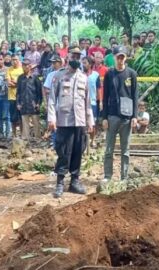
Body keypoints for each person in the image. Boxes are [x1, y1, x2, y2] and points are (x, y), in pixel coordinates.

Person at [48, 47, 93, 198]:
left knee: (77, 152)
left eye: (78, 56)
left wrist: (90, 121)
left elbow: (87, 102)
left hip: (79, 121)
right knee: (63, 152)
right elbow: (52, 99)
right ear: (67, 56)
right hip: (64, 120)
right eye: (73, 55)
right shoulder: (59, 75)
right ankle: (60, 182)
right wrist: (52, 118)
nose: (75, 57)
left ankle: (74, 181)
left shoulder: (83, 78)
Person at [102, 47, 138, 183]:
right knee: (109, 149)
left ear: (126, 58)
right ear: (114, 57)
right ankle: (107, 176)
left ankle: (124, 177)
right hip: (112, 116)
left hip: (127, 117)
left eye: (122, 57)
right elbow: (104, 97)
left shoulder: (132, 74)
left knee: (125, 150)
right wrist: (104, 117)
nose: (120, 59)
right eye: (118, 57)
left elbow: (135, 95)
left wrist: (135, 116)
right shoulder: (109, 74)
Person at [16, 59, 42, 139]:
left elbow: (39, 92)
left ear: (30, 66)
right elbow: (18, 92)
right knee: (25, 122)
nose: (25, 67)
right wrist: (18, 103)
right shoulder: (20, 78)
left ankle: (38, 140)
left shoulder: (35, 78)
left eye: (27, 65)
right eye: (23, 65)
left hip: (33, 103)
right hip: (23, 103)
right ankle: (26, 139)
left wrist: (38, 103)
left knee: (36, 122)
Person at [82, 56, 101, 148]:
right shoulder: (80, 75)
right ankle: (83, 140)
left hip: (93, 102)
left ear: (90, 64)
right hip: (81, 102)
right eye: (82, 62)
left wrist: (100, 101)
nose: (83, 64)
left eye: (85, 62)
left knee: (93, 122)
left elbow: (98, 89)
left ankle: (92, 140)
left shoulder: (95, 75)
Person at [7, 54, 24, 138]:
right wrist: (17, 82)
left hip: (21, 97)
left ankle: (22, 135)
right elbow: (9, 83)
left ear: (19, 60)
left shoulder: (22, 70)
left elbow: (23, 83)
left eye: (16, 59)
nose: (14, 61)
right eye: (13, 59)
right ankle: (14, 135)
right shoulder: (9, 70)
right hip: (12, 97)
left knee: (21, 117)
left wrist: (16, 82)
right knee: (13, 118)